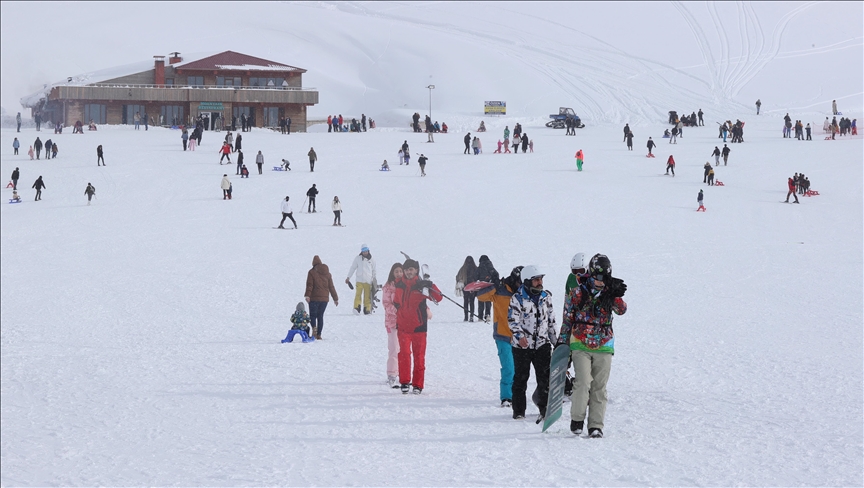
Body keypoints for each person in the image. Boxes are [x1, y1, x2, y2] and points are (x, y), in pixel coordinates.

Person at [558, 253, 627, 438]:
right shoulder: (578, 292)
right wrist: (562, 342)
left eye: (604, 278)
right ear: (591, 273)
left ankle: (596, 425)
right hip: (580, 342)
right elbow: (567, 318)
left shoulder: (609, 292)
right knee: (583, 382)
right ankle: (577, 419)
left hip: (604, 344)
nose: (600, 281)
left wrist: (615, 294)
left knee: (599, 386)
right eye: (597, 277)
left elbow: (621, 310)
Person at [508, 265, 557, 422]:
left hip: (542, 344)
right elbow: (512, 320)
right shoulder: (517, 298)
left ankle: (544, 409)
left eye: (541, 279)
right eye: (536, 280)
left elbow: (551, 321)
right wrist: (519, 336)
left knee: (544, 378)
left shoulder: (546, 297)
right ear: (527, 281)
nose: (540, 282)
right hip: (522, 346)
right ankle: (519, 411)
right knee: (521, 378)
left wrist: (557, 342)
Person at [394, 259, 443, 394]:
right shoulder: (399, 285)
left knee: (419, 357)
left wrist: (430, 285)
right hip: (403, 327)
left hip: (419, 328)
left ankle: (418, 384)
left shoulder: (422, 286)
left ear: (416, 270)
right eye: (406, 270)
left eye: (411, 269)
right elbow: (396, 302)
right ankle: (404, 382)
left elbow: (438, 298)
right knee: (404, 355)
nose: (408, 272)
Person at [477, 266, 522, 407]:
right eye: (519, 282)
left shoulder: (524, 293)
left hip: (521, 337)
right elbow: (480, 296)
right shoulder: (500, 290)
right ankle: (507, 397)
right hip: (503, 336)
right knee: (509, 368)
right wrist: (495, 286)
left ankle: (517, 395)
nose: (521, 285)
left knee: (519, 370)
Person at [304, 255, 339, 340]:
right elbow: (331, 287)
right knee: (320, 316)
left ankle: (314, 329)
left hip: (314, 298)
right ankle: (319, 334)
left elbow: (310, 285)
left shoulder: (311, 272)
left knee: (313, 315)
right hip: (324, 299)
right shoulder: (328, 274)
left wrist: (307, 295)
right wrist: (335, 298)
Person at [382, 263, 404, 387]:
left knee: (404, 349)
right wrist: (397, 310)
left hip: (405, 322)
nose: (399, 274)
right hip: (392, 322)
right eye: (396, 271)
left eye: (400, 271)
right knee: (394, 348)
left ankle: (403, 372)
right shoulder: (388, 287)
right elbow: (386, 304)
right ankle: (392, 373)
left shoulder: (406, 285)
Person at [346, 244, 377, 315]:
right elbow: (353, 268)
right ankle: (356, 308)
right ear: (361, 251)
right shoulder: (358, 258)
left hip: (368, 281)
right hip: (359, 280)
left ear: (368, 251)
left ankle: (367, 309)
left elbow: (374, 271)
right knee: (358, 294)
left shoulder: (372, 260)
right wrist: (348, 277)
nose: (365, 252)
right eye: (363, 251)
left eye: (366, 251)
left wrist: (374, 280)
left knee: (367, 296)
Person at [455, 256, 478, 322]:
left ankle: (466, 317)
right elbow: (478, 277)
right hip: (472, 287)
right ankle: (471, 316)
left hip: (465, 287)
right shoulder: (475, 268)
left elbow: (457, 277)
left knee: (465, 302)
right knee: (472, 302)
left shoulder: (463, 268)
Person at [475, 255, 498, 320]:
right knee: (488, 300)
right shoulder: (491, 267)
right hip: (489, 286)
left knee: (481, 300)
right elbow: (496, 275)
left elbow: (475, 277)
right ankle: (487, 315)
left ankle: (480, 316)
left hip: (481, 287)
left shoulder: (479, 268)